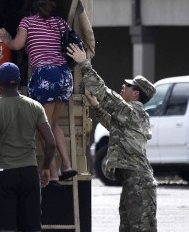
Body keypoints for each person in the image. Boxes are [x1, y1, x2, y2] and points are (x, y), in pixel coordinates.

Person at [66, 43, 158, 232]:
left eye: (127, 86)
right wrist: (96, 106)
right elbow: (112, 123)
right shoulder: (130, 115)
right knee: (127, 226)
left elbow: (105, 93)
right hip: (133, 180)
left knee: (139, 228)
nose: (122, 87)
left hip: (138, 181)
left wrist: (84, 63)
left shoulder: (132, 112)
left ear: (136, 93)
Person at [0, 0, 77, 185]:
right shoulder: (59, 22)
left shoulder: (27, 22)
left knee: (44, 128)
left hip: (45, 74)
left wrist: (6, 38)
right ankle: (67, 166)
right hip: (65, 74)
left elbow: (17, 45)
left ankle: (54, 171)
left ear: (30, 11)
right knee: (54, 123)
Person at [0, 62, 56, 232]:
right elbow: (51, 143)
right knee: (32, 227)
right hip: (29, 173)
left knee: (5, 227)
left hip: (4, 175)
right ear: (20, 80)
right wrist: (45, 167)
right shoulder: (35, 106)